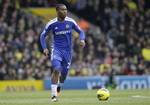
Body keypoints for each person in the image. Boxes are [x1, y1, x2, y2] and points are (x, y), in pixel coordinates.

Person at [40, 4, 85, 102]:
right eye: (63, 10)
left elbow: (81, 31)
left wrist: (82, 40)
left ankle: (60, 85)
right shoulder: (52, 23)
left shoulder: (71, 21)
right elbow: (42, 36)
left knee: (63, 76)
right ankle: (53, 95)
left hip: (68, 52)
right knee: (56, 69)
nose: (65, 11)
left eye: (66, 10)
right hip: (56, 50)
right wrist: (44, 48)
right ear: (57, 11)